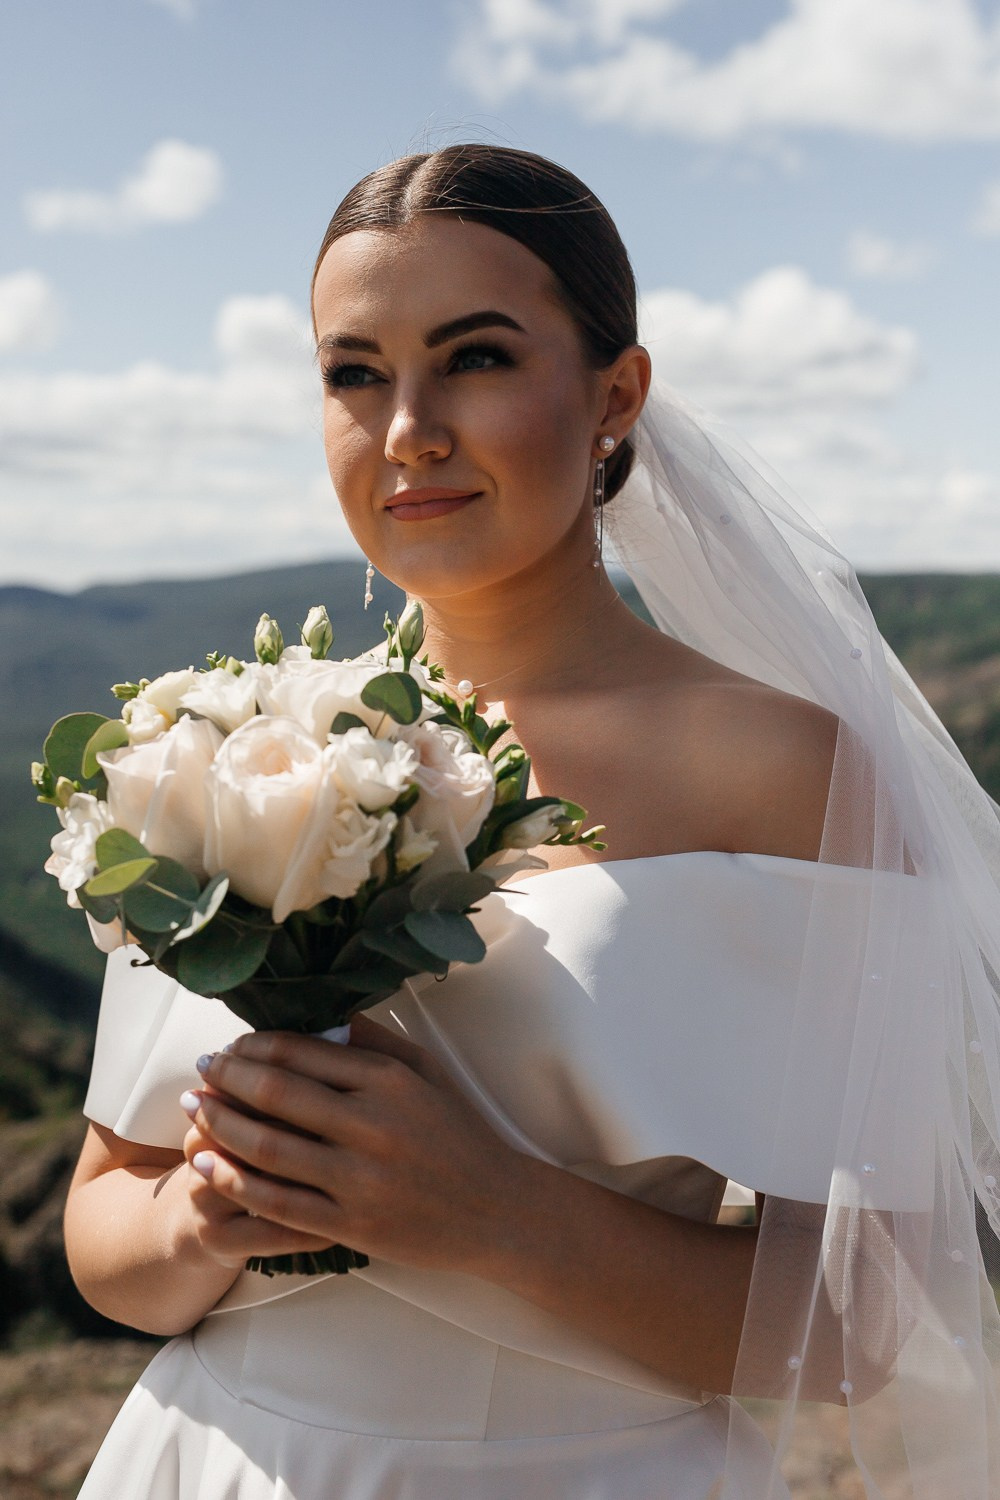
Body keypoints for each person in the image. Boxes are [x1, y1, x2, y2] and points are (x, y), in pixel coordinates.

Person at [66, 145, 1000, 1498]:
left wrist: (492, 1215)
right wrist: (205, 1213)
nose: (409, 430)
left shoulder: (781, 771)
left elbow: (859, 1325)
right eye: (354, 372)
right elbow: (107, 1228)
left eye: (478, 358)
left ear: (616, 394)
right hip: (216, 1459)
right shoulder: (232, 754)